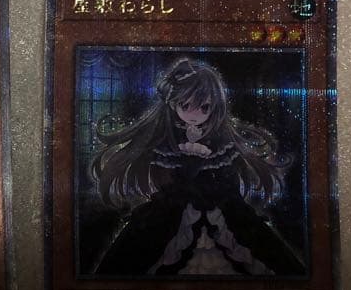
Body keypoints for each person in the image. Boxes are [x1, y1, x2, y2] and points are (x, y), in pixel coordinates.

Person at [90, 57, 304, 276]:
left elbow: (229, 181)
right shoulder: (165, 143)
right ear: (173, 104)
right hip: (172, 210)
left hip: (223, 210)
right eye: (185, 105)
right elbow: (165, 181)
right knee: (136, 250)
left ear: (215, 107)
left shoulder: (223, 144)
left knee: (266, 250)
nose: (194, 114)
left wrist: (212, 187)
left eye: (204, 107)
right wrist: (187, 174)